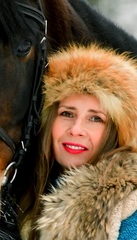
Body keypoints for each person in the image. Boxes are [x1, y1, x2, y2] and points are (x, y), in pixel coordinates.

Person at [20, 44, 137, 239]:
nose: (75, 130)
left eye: (95, 118)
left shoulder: (129, 207)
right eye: (67, 113)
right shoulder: (21, 193)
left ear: (118, 133)